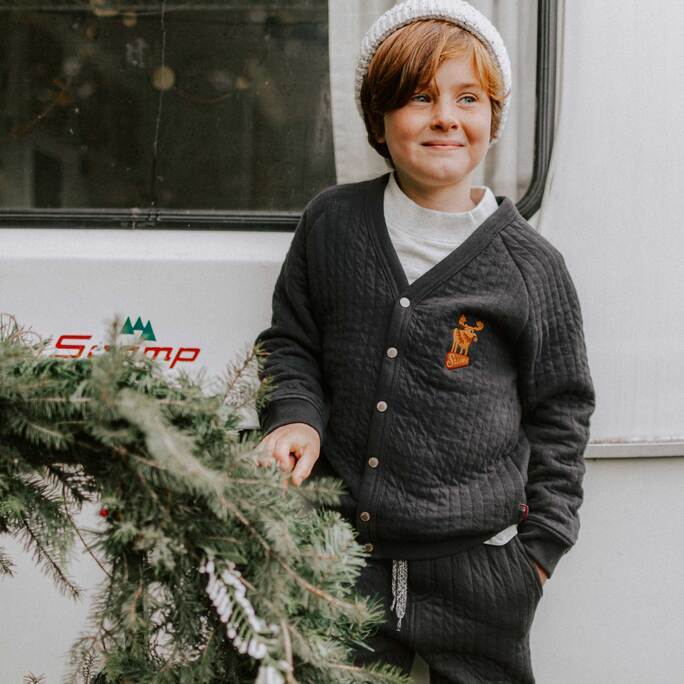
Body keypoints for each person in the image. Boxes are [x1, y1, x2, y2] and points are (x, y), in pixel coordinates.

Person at [254, 1, 596, 681]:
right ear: (379, 118)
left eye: (468, 98)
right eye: (418, 97)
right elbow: (290, 342)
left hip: (480, 573)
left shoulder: (531, 266)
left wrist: (538, 553)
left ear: (493, 118)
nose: (445, 116)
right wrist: (294, 418)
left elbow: (562, 411)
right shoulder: (332, 224)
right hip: (339, 557)